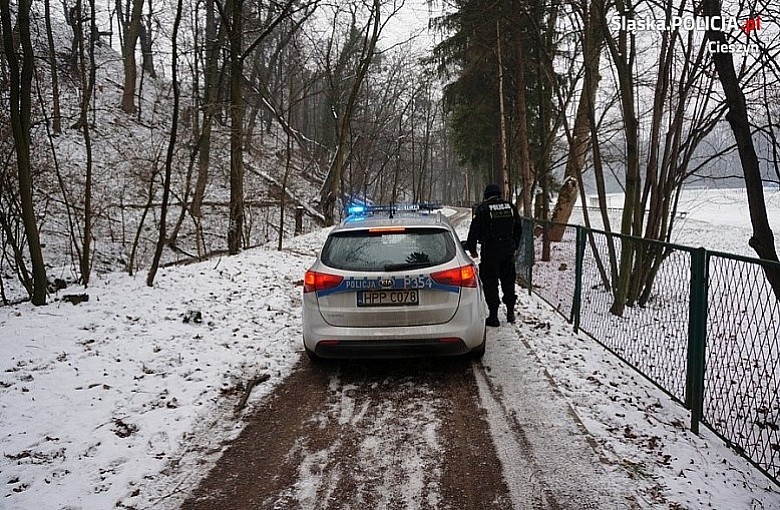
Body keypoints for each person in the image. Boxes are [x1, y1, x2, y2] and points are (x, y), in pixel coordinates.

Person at [465, 184, 522, 327]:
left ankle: (494, 316)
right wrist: (514, 245)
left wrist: (472, 248)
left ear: (486, 195)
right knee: (508, 283)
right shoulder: (510, 207)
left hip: (490, 252)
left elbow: (474, 230)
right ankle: (510, 312)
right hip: (508, 253)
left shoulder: (483, 209)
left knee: (491, 284)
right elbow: (519, 228)